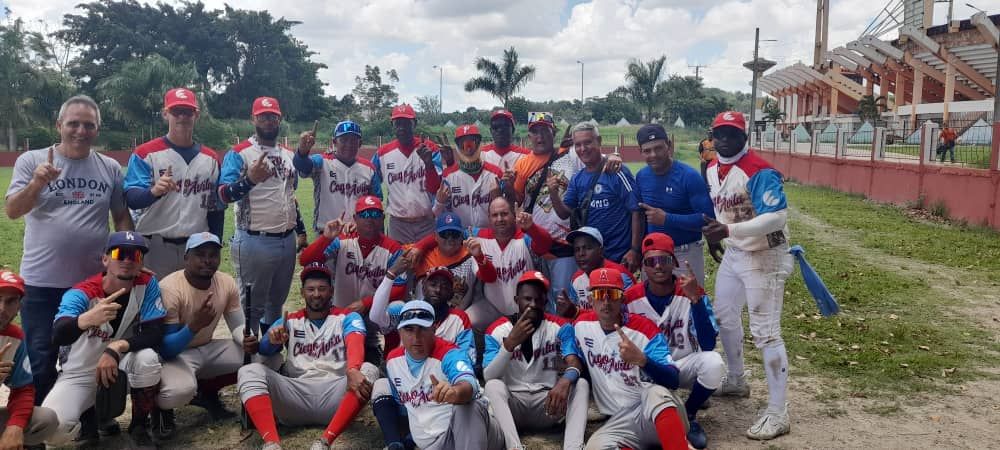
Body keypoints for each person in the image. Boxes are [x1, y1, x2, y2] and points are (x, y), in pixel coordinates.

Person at [4, 95, 133, 404]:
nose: (80, 131)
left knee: (88, 353)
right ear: (59, 125)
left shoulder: (109, 167)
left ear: (97, 129)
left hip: (91, 284)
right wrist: (36, 184)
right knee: (41, 356)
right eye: (73, 123)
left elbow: (121, 217)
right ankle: (38, 426)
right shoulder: (32, 161)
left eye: (88, 125)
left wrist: (130, 258)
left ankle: (88, 422)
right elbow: (12, 210)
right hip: (41, 282)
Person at [702, 111, 795, 440]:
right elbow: (726, 209)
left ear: (745, 136)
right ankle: (737, 380)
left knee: (766, 331)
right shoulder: (713, 168)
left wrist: (727, 229)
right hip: (737, 251)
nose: (724, 139)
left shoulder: (759, 170)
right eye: (719, 133)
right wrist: (721, 237)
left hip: (765, 255)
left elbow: (776, 218)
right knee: (724, 315)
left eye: (732, 133)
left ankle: (777, 412)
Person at [237, 263, 380, 450]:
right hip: (296, 395)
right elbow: (263, 350)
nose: (316, 294)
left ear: (331, 291)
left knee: (369, 370)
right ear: (302, 292)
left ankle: (325, 441)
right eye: (310, 289)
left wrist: (353, 369)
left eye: (322, 289)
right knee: (249, 371)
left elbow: (355, 342)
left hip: (335, 395)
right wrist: (272, 341)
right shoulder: (290, 320)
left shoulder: (348, 317)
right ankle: (272, 444)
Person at [43, 232, 166, 447]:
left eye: (135, 255)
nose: (127, 260)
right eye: (120, 253)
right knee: (53, 430)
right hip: (80, 372)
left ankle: (138, 425)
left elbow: (155, 332)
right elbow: (58, 334)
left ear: (141, 263)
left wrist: (116, 348)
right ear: (105, 259)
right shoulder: (82, 292)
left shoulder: (147, 284)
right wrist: (85, 320)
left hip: (121, 361)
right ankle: (89, 421)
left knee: (147, 359)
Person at [562, 268, 689, 450]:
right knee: (595, 447)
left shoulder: (645, 329)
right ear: (591, 300)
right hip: (619, 422)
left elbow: (673, 380)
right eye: (599, 294)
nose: (606, 301)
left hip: (656, 413)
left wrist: (643, 360)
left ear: (622, 299)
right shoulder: (582, 326)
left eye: (612, 294)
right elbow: (565, 336)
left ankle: (678, 445)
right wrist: (568, 375)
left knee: (654, 393)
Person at [624, 233, 723, 449]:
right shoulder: (629, 298)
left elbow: (707, 345)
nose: (658, 266)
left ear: (674, 263)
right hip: (647, 369)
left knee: (714, 363)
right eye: (651, 261)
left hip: (681, 365)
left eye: (664, 260)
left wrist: (695, 300)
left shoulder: (691, 291)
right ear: (643, 266)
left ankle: (689, 414)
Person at [370, 301, 504, 450]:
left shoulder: (449, 353)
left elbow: (468, 383)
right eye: (409, 329)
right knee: (381, 386)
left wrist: (455, 392)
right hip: (434, 444)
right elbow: (403, 405)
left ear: (434, 329)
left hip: (476, 433)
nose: (416, 336)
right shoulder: (393, 361)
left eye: (422, 328)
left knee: (466, 407)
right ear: (400, 331)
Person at [152, 232, 245, 440]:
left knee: (258, 358)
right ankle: (159, 409)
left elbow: (238, 327)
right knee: (176, 393)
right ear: (186, 258)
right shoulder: (169, 288)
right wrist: (193, 326)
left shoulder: (226, 282)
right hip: (178, 355)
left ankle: (207, 392)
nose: (207, 260)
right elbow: (166, 348)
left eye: (213, 255)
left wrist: (249, 339)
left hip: (208, 347)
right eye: (200, 254)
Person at [482, 271, 589, 450]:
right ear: (517, 300)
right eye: (527, 299)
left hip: (548, 404)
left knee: (581, 384)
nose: (533, 305)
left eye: (538, 300)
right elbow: (488, 375)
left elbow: (574, 361)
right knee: (493, 386)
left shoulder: (560, 326)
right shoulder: (497, 329)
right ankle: (514, 447)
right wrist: (509, 345)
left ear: (546, 302)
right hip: (513, 406)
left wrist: (565, 380)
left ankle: (573, 447)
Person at [124, 88, 225, 277]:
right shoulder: (145, 153)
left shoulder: (210, 158)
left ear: (196, 115)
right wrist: (153, 192)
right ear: (165, 114)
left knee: (195, 304)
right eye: (176, 111)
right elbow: (131, 197)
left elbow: (216, 209)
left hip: (197, 246)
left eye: (187, 112)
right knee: (155, 303)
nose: (182, 117)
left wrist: (216, 243)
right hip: (155, 245)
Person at [218, 97, 298, 331]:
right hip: (254, 239)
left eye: (272, 116)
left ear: (279, 118)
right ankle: (249, 362)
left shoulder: (288, 154)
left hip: (287, 240)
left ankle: (270, 357)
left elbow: (289, 196)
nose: (268, 120)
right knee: (252, 307)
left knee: (276, 305)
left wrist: (300, 231)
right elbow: (223, 194)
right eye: (262, 116)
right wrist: (250, 180)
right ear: (253, 119)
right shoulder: (240, 153)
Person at [416, 196, 553, 331]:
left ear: (513, 215)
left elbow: (545, 245)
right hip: (491, 306)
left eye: (504, 214)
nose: (499, 219)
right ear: (488, 218)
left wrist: (532, 228)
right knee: (463, 321)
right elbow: (448, 232)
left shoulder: (525, 237)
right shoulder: (477, 235)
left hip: (526, 307)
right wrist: (420, 246)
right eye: (495, 215)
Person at [511, 112, 583, 306]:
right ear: (529, 136)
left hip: (564, 244)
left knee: (563, 299)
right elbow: (517, 201)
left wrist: (614, 157)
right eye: (535, 132)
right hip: (534, 243)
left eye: (545, 131)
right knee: (535, 299)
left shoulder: (569, 155)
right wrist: (507, 187)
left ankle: (563, 335)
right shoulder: (522, 164)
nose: (540, 137)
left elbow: (595, 158)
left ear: (554, 133)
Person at [549, 122, 642, 270]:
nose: (583, 149)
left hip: (620, 258)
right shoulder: (577, 178)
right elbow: (564, 213)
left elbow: (636, 210)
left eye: (587, 142)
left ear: (599, 141)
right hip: (593, 261)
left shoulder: (617, 171)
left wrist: (635, 250)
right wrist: (553, 194)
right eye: (578, 145)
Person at [634, 124, 718, 285]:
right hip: (653, 256)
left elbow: (708, 220)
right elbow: (639, 216)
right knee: (653, 307)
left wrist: (667, 219)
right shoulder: (641, 176)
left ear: (669, 146)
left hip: (684, 254)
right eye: (647, 150)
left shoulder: (689, 176)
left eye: (658, 148)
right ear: (641, 152)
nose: (653, 155)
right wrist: (638, 251)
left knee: (689, 304)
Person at [298, 195, 407, 309]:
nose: (370, 219)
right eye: (364, 215)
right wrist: (326, 238)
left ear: (383, 218)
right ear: (355, 218)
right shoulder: (342, 241)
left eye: (375, 214)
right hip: (341, 312)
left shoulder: (393, 249)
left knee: (397, 307)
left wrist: (366, 304)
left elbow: (399, 287)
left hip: (376, 313)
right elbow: (305, 260)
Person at [0, 270, 59, 450]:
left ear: (19, 307)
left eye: (10, 301)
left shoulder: (15, 337)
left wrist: (15, 426)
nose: (2, 308)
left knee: (45, 420)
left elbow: (23, 389)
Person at [370, 258, 474, 354]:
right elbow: (376, 317)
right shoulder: (406, 310)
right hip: (403, 371)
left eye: (445, 287)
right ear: (423, 288)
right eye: (433, 285)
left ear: (451, 293)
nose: (438, 290)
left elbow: (467, 354)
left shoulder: (459, 318)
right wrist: (390, 275)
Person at [372, 104, 442, 243]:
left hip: (426, 222)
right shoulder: (382, 153)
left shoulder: (430, 148)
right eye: (398, 123)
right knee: (398, 262)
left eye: (406, 123)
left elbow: (436, 188)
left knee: (427, 263)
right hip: (398, 224)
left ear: (414, 124)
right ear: (392, 125)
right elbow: (370, 182)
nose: (402, 128)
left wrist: (428, 164)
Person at [293, 120, 380, 231]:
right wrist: (302, 152)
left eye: (353, 140)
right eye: (343, 140)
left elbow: (376, 202)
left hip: (358, 233)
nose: (349, 144)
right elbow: (302, 165)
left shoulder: (369, 168)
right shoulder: (322, 162)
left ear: (360, 143)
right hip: (326, 233)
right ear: (334, 142)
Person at [433, 124, 503, 229]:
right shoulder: (448, 175)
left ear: (479, 144)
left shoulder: (496, 173)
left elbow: (507, 213)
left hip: (489, 236)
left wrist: (499, 198)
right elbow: (438, 215)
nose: (469, 149)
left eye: (472, 143)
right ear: (457, 146)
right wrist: (439, 203)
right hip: (460, 237)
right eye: (463, 144)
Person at [560, 227, 635, 318]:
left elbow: (630, 315)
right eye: (577, 249)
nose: (581, 254)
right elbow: (574, 314)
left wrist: (578, 312)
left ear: (601, 250)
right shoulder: (576, 278)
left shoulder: (620, 275)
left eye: (587, 248)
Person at [411, 212, 478, 308]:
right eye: (444, 234)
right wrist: (420, 246)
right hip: (423, 316)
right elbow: (394, 254)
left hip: (458, 317)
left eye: (455, 234)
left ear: (461, 235)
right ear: (435, 237)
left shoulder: (471, 255)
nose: (450, 238)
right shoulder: (421, 254)